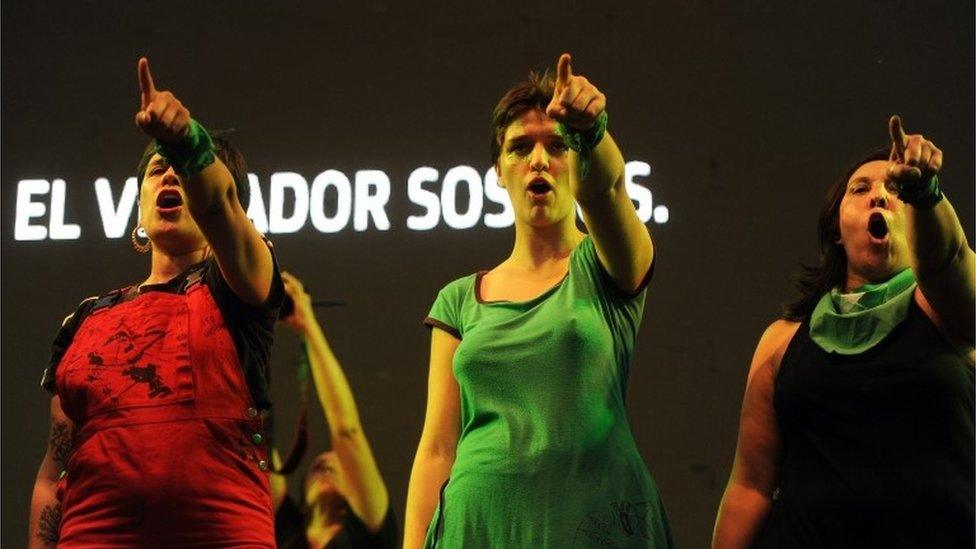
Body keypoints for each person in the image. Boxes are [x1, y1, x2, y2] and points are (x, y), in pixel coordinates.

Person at [404, 53, 673, 548]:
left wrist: (590, 132)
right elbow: (437, 450)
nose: (539, 160)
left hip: (592, 523)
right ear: (498, 174)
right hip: (478, 528)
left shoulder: (610, 263)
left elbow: (608, 190)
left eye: (557, 145)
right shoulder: (460, 299)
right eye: (519, 148)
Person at [28, 58, 283, 547]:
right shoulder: (85, 319)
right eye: (156, 170)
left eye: (182, 173)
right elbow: (52, 472)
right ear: (139, 205)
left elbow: (220, 206)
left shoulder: (242, 288)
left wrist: (187, 144)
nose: (170, 178)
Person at [712, 116, 975, 547]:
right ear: (836, 228)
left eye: (893, 189)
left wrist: (924, 192)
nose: (879, 197)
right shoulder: (783, 340)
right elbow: (751, 487)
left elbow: (950, 259)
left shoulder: (949, 310)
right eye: (861, 189)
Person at [271, 272, 398, 549]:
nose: (326, 465)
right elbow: (255, 434)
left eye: (334, 464)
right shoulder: (285, 532)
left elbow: (346, 430)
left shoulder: (371, 535)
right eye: (318, 466)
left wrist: (307, 326)